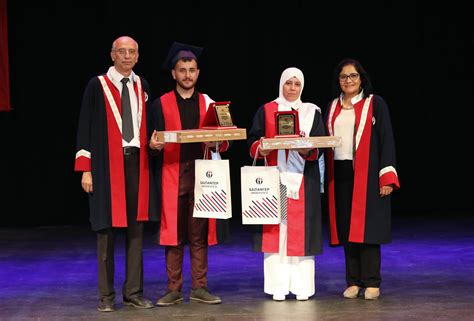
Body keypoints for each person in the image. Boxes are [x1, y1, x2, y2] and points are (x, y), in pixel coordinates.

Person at [74, 36, 157, 312]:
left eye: (132, 51)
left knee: (136, 231)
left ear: (138, 55)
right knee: (106, 233)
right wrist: (86, 169)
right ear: (112, 54)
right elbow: (84, 126)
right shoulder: (97, 85)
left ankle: (133, 293)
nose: (126, 56)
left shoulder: (141, 85)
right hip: (106, 166)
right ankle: (106, 297)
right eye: (121, 51)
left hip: (136, 164)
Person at [148, 41, 230, 306]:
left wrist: (218, 142)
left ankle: (200, 286)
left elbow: (225, 140)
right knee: (174, 235)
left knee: (199, 234)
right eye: (182, 70)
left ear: (198, 72)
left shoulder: (210, 103)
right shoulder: (160, 104)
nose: (187, 74)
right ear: (173, 73)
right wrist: (153, 147)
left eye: (191, 69)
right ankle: (174, 288)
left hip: (203, 176)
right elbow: (151, 143)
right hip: (172, 175)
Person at [247, 67, 326, 301]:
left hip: (303, 181)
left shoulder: (313, 112)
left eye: (296, 84)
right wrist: (259, 147)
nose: (292, 88)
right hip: (274, 180)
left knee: (301, 233)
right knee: (276, 232)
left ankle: (302, 287)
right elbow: (253, 139)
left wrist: (308, 149)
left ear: (302, 86)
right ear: (281, 84)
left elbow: (319, 146)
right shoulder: (267, 109)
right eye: (288, 83)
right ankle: (277, 286)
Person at [325, 58, 400, 300]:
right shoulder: (332, 107)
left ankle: (372, 281)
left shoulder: (374, 103)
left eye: (353, 76)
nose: (348, 81)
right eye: (343, 77)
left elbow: (386, 139)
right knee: (348, 228)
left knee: (368, 228)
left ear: (361, 78)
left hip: (367, 173)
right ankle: (353, 281)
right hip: (340, 173)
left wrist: (386, 177)